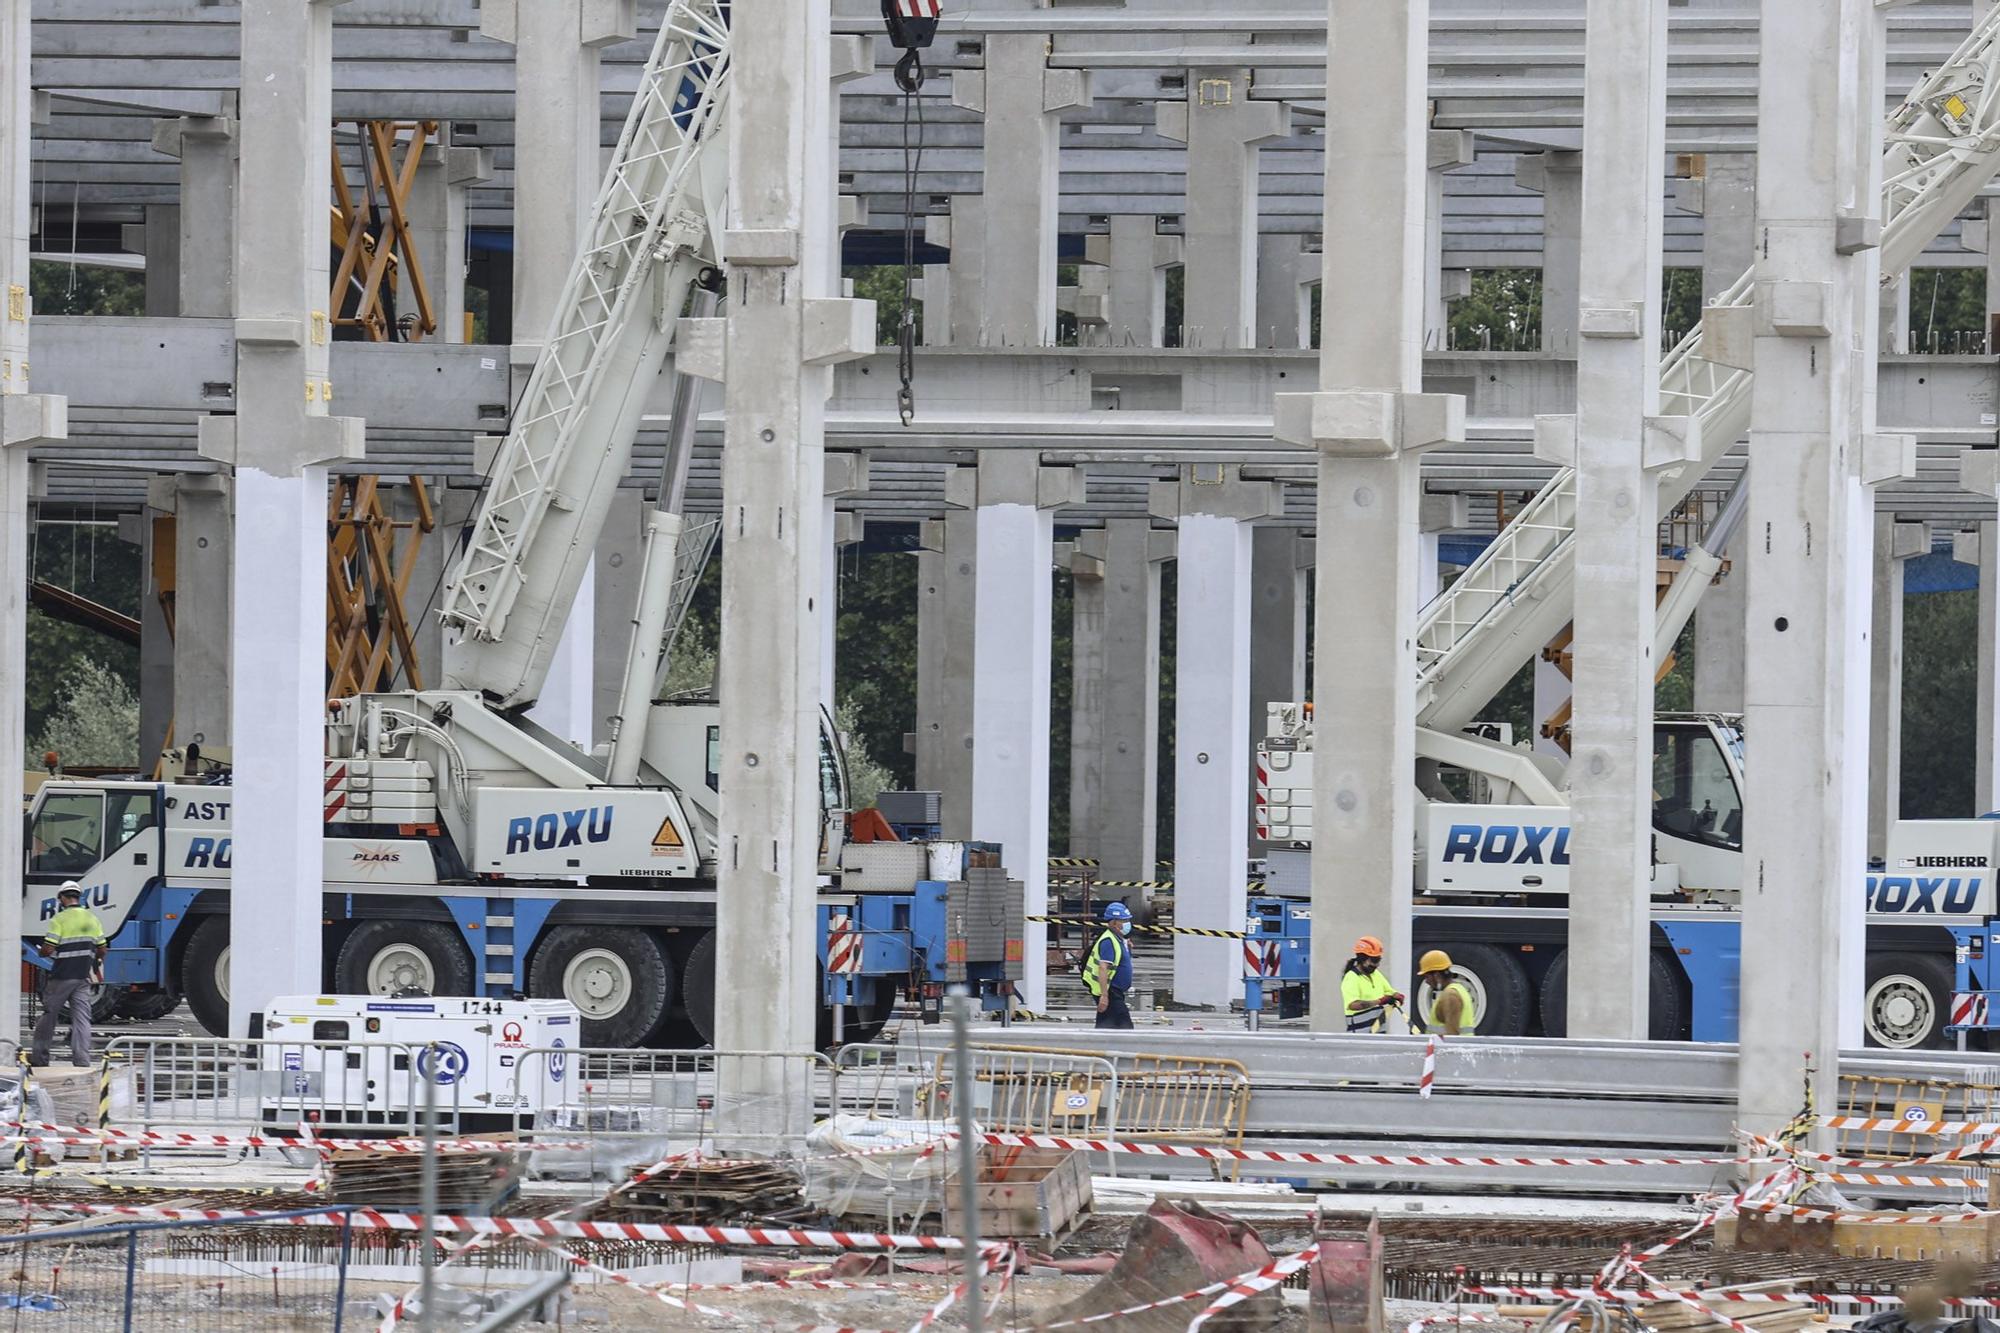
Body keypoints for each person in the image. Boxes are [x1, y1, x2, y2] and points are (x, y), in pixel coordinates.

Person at [32, 882, 106, 1067]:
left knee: (49, 1016)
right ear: (78, 897)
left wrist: (40, 952)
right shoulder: (92, 918)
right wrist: (94, 959)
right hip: (82, 977)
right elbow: (102, 948)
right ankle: (82, 1060)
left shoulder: (59, 919)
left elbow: (49, 948)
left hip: (62, 977)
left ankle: (40, 1058)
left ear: (62, 898)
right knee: (82, 1019)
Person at [1084, 901, 1135, 1030]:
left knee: (1105, 1026)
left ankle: (1098, 1048)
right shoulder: (1108, 941)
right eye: (1124, 920)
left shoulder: (1118, 939)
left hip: (1115, 991)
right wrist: (1104, 996)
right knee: (1124, 1025)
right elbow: (1103, 967)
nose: (1127, 923)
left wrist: (1127, 946)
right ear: (1113, 923)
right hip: (1111, 991)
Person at [1340, 935, 1405, 1033]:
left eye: (1379, 960)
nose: (1377, 964)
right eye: (1374, 960)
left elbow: (1389, 992)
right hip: (1359, 1037)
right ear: (1362, 959)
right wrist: (1379, 1001)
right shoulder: (1351, 978)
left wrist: (1397, 996)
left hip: (1378, 1034)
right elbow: (1353, 1005)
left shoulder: (1376, 974)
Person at [1415, 949, 1478, 1036]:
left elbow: (1452, 1035)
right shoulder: (1459, 989)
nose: (1426, 981)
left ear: (1436, 975)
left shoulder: (1450, 995)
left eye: (1427, 976)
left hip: (1451, 1048)